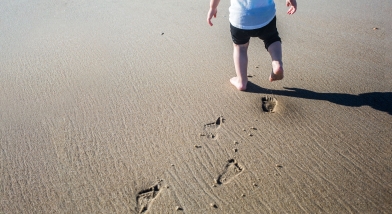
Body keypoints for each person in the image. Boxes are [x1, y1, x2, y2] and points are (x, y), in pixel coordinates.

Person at [207, 0, 297, 91]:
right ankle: (277, 63)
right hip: (265, 16)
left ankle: (241, 81)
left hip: (240, 18)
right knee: (272, 39)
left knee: (240, 47)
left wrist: (212, 8)